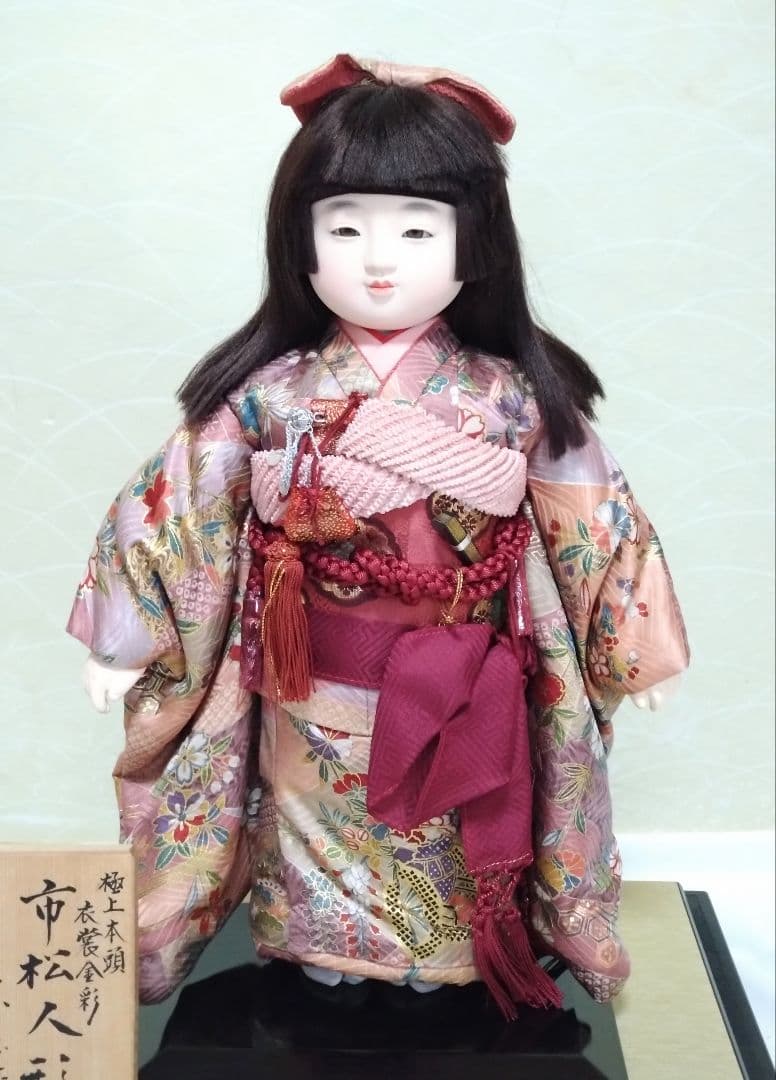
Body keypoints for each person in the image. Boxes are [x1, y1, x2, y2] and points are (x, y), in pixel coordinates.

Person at [67, 54, 689, 1017]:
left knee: (451, 815)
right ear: (300, 241)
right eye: (346, 227)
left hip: (463, 676)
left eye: (416, 228)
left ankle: (443, 955)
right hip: (310, 679)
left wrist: (632, 642)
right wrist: (126, 633)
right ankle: (318, 949)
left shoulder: (510, 396)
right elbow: (177, 506)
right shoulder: (269, 395)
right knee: (313, 809)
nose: (378, 258)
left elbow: (595, 515)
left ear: (474, 244)